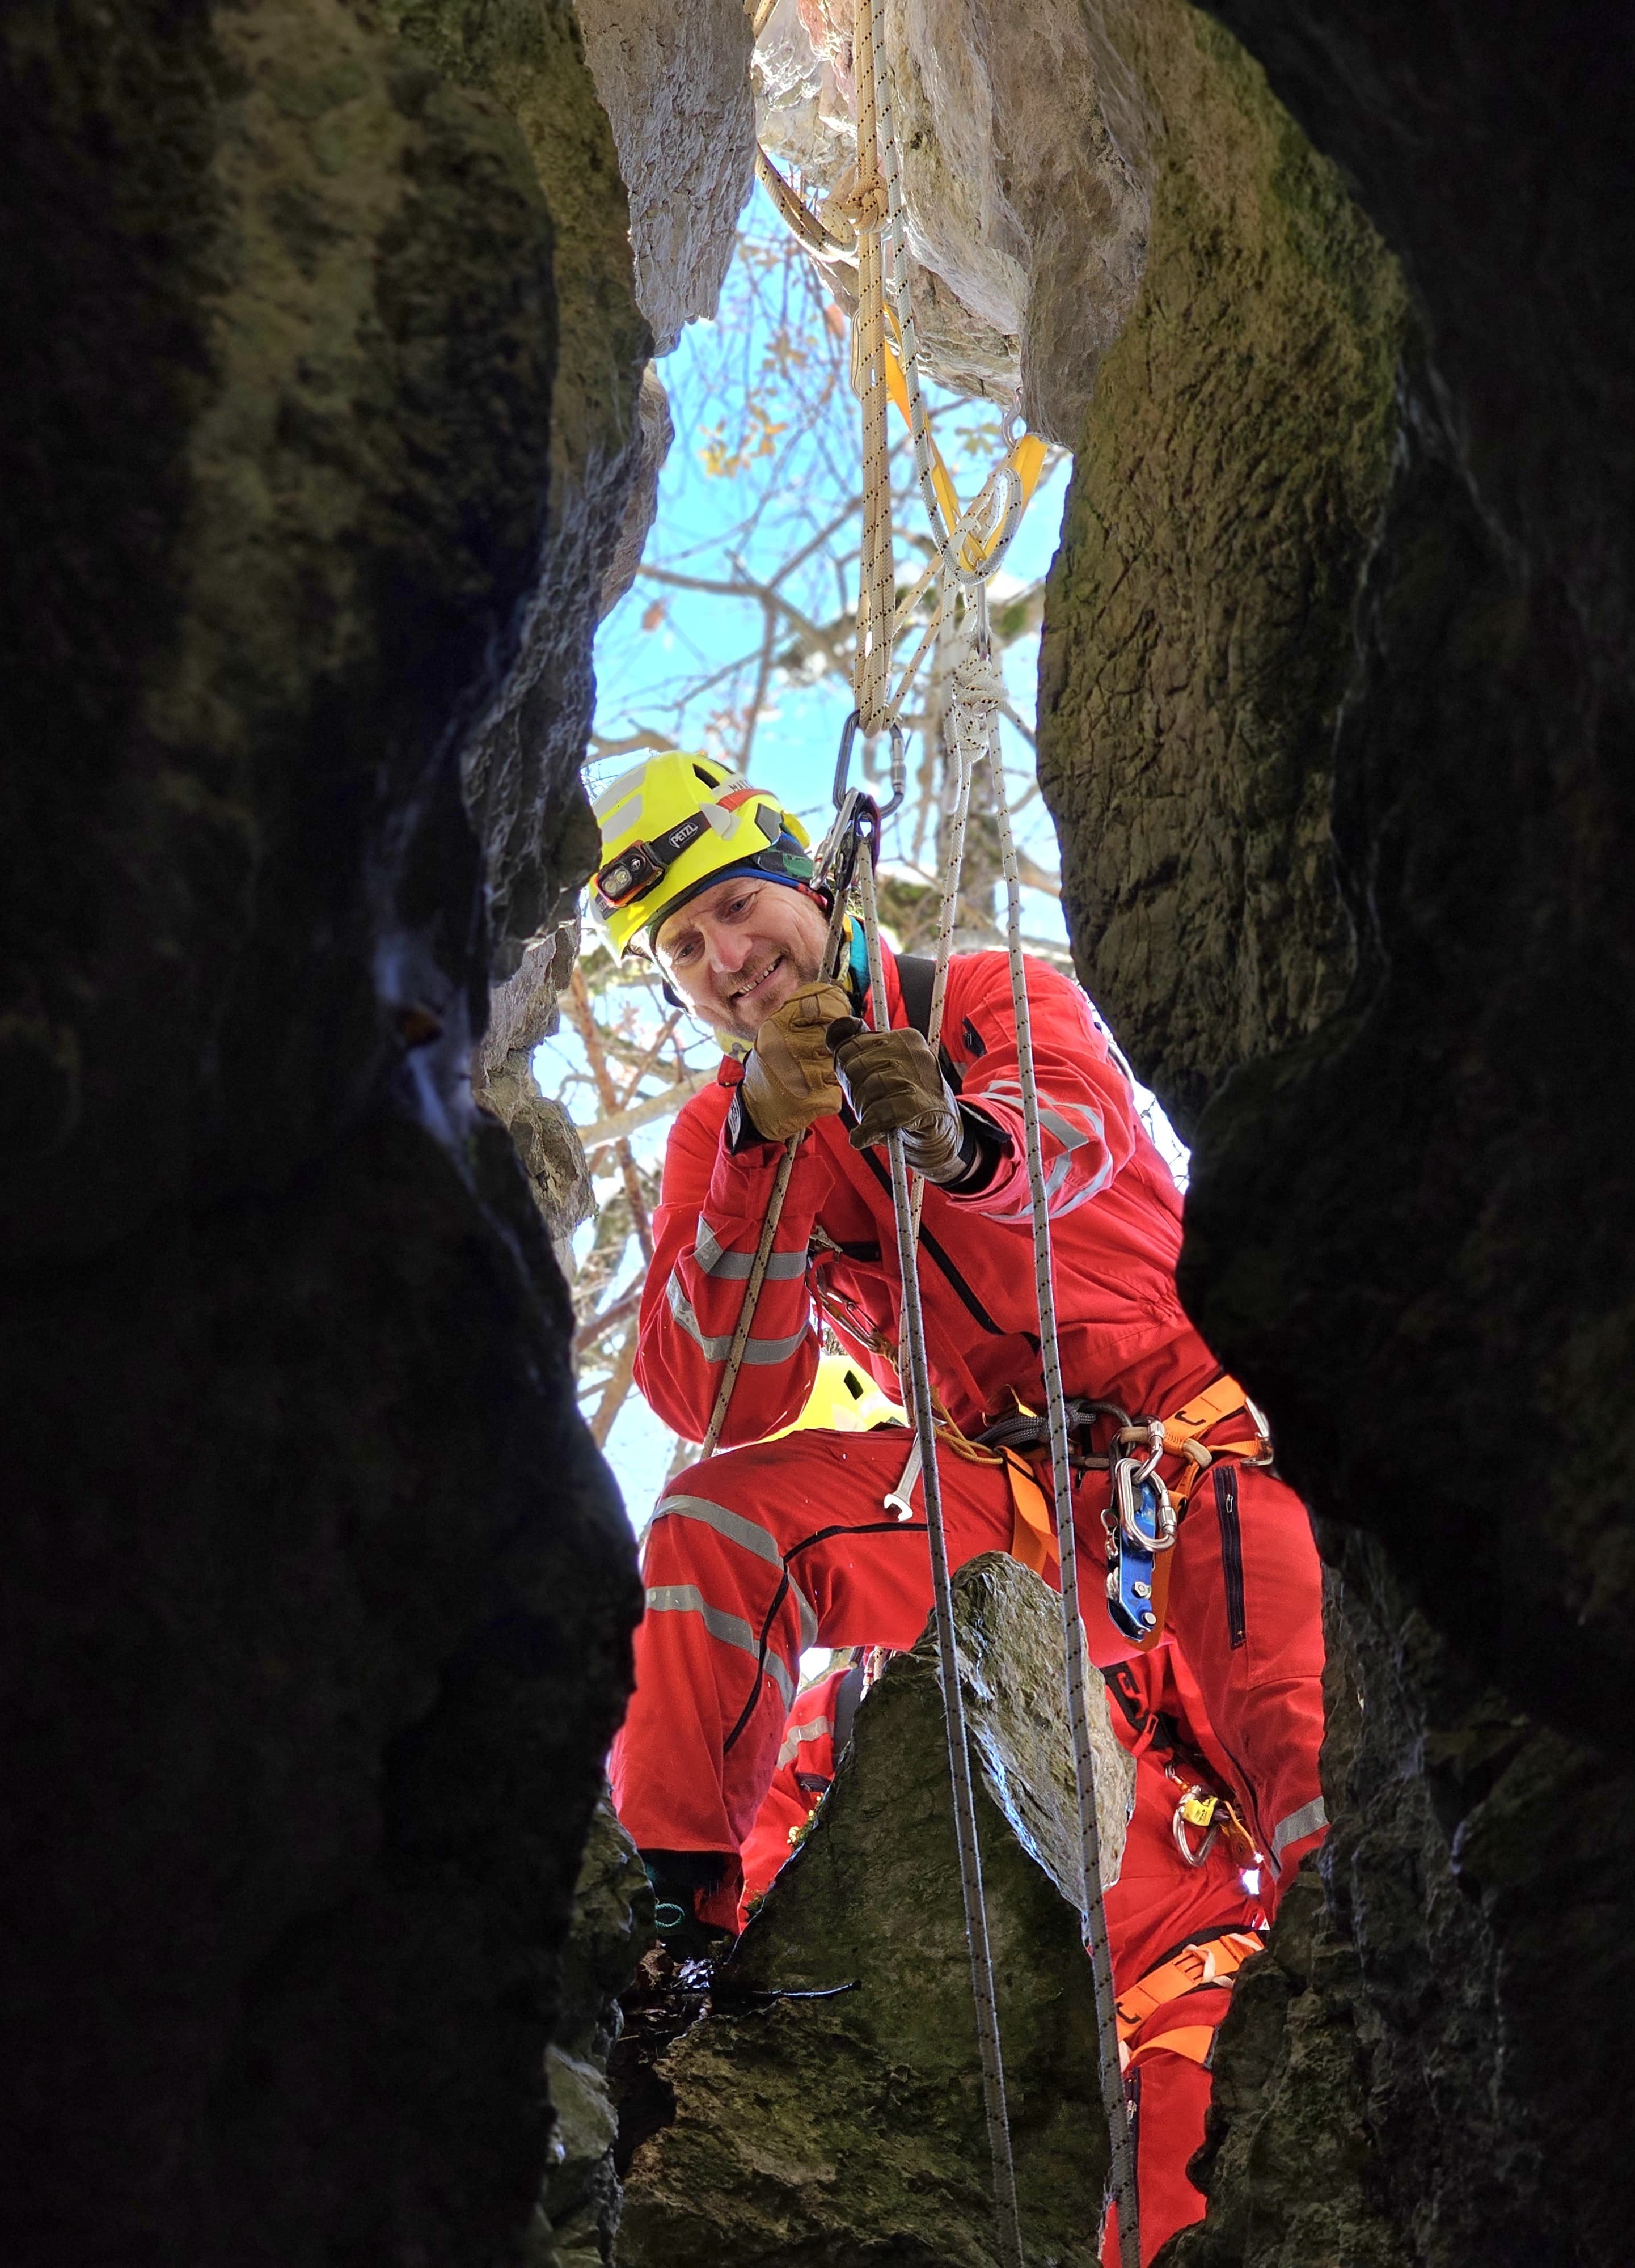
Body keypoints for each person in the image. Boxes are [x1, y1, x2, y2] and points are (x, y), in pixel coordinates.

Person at [594, 752, 1327, 2263]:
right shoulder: (722, 1135)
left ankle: (1389, 1949)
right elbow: (714, 1389)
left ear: (811, 885)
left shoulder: (981, 996)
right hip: (994, 1497)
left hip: (1181, 1448)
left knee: (1287, 1729)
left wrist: (948, 1136)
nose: (727, 960)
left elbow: (1079, 1133)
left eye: (737, 907)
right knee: (718, 1529)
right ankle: (676, 1921)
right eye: (683, 950)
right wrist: (761, 1158)